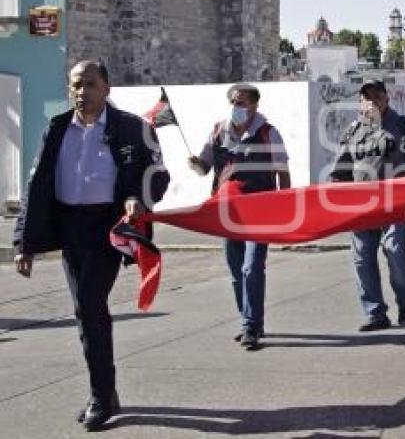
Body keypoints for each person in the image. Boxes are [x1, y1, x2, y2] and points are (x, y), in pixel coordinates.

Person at [12, 60, 170, 431]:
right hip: (70, 229)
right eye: (76, 85)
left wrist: (137, 198)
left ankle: (101, 395)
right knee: (86, 310)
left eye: (90, 85)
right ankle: (106, 391)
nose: (82, 93)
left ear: (107, 88)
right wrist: (24, 242)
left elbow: (158, 176)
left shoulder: (133, 128)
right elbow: (36, 186)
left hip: (109, 229)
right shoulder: (56, 128)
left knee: (88, 305)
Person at [189, 83, 290, 350]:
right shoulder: (218, 131)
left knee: (251, 267)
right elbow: (205, 166)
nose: (237, 107)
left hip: (260, 211)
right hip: (227, 212)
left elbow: (282, 170)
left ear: (255, 105)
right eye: (234, 102)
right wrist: (196, 164)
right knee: (236, 271)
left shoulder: (269, 133)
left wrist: (285, 202)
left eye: (242, 102)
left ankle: (250, 326)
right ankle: (250, 319)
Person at [330, 79, 405, 331]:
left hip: (395, 204)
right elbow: (340, 172)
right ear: (361, 102)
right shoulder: (353, 131)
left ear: (387, 98)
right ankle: (375, 313)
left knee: (395, 249)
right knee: (362, 258)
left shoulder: (404, 127)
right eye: (366, 97)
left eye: (377, 95)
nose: (372, 100)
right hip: (361, 205)